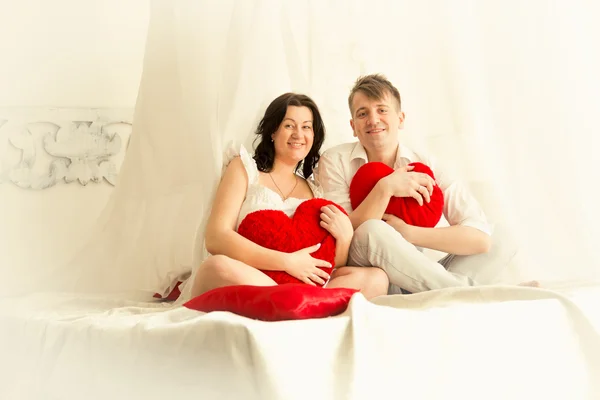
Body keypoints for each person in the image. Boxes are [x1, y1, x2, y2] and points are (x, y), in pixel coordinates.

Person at [315, 74, 538, 294]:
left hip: (415, 276)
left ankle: (449, 290)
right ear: (353, 126)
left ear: (400, 119)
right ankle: (486, 293)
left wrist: (408, 233)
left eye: (382, 110)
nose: (373, 120)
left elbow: (479, 239)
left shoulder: (424, 163)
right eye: (363, 113)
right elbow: (341, 233)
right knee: (372, 229)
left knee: (502, 236)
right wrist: (385, 188)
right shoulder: (335, 160)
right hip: (372, 271)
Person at [190, 92, 389, 299]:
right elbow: (216, 238)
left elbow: (328, 266)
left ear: (313, 136)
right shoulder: (244, 169)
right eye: (289, 125)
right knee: (216, 267)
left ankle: (295, 302)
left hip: (301, 286)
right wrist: (287, 262)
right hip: (252, 278)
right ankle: (298, 302)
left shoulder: (315, 190)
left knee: (376, 278)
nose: (298, 134)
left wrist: (345, 237)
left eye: (306, 127)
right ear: (273, 132)